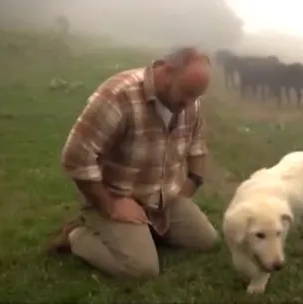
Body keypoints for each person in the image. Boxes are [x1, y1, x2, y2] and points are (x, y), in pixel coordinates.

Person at [46, 46, 219, 279]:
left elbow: (197, 144)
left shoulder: (189, 102)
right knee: (141, 269)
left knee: (206, 240)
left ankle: (143, 230)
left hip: (163, 197)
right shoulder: (119, 95)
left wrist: (193, 181)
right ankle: (77, 235)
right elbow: (76, 156)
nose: (190, 105)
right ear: (167, 71)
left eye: (196, 97)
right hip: (117, 195)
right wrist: (109, 204)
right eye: (186, 93)